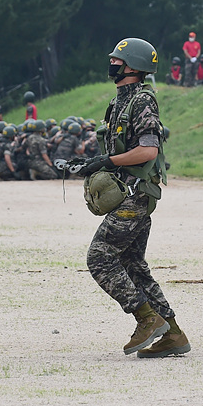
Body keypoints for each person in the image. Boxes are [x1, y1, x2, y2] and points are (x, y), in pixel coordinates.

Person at [79, 38, 188, 358]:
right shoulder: (120, 102)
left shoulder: (141, 101)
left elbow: (148, 150)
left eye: (116, 59)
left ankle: (146, 318)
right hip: (127, 191)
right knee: (132, 264)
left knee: (99, 257)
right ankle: (174, 334)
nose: (111, 62)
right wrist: (96, 163)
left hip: (135, 194)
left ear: (131, 66)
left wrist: (109, 162)